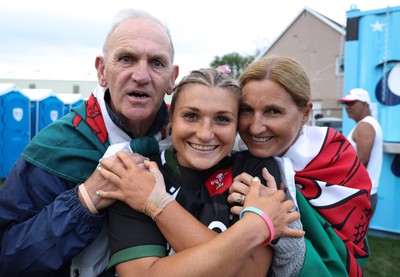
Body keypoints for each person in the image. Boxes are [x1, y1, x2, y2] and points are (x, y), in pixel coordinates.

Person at [0, 8, 179, 276]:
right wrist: (83, 202)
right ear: (102, 71)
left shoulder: (188, 141)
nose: (141, 76)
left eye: (156, 63)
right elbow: (8, 256)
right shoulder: (56, 146)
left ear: (172, 78)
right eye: (127, 59)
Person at [96, 68, 305, 276]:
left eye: (222, 119)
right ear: (172, 117)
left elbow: (250, 272)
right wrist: (255, 227)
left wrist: (156, 203)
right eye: (191, 116)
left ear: (237, 125)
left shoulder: (256, 171)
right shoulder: (137, 176)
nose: (205, 134)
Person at [230, 55, 373, 276]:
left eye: (273, 111)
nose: (256, 128)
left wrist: (281, 223)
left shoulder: (336, 158)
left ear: (305, 113)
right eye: (247, 110)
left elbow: (345, 257)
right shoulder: (229, 154)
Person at [340, 88, 383, 214]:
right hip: (364, 193)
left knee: (353, 234)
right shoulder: (368, 124)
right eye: (345, 103)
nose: (347, 107)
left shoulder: (365, 126)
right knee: (358, 233)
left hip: (360, 195)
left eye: (352, 103)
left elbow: (361, 162)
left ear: (364, 104)